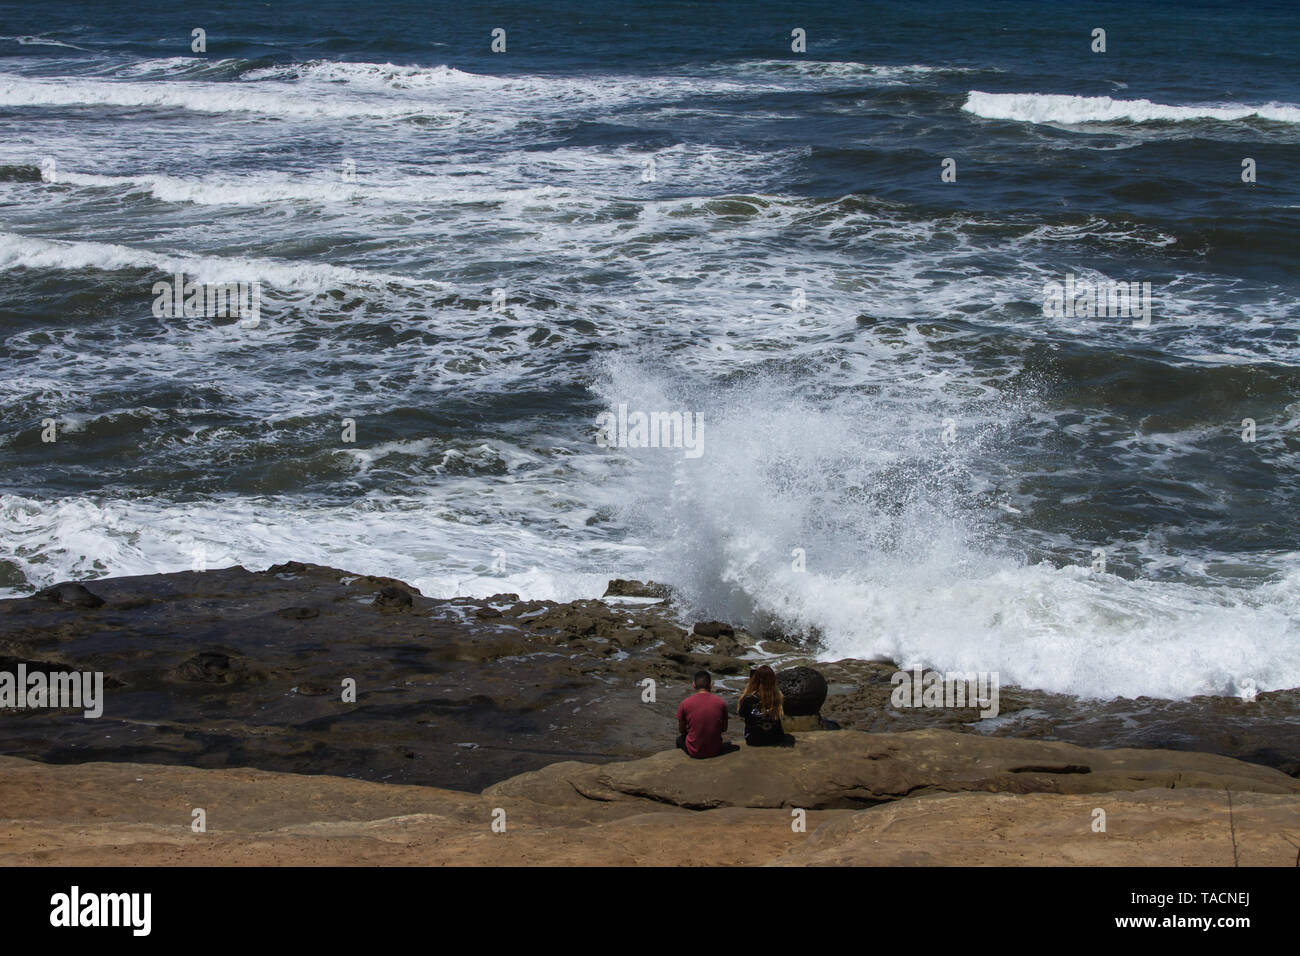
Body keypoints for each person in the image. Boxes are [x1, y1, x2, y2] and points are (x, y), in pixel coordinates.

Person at [675, 670, 728, 758]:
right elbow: (724, 728)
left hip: (694, 751)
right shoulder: (721, 703)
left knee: (679, 739)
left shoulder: (685, 703)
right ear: (711, 685)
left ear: (693, 685)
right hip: (716, 750)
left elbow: (682, 730)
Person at [737, 665, 784, 746]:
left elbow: (741, 714)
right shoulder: (778, 696)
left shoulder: (748, 699)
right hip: (776, 738)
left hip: (754, 740)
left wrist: (748, 688)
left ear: (755, 680)